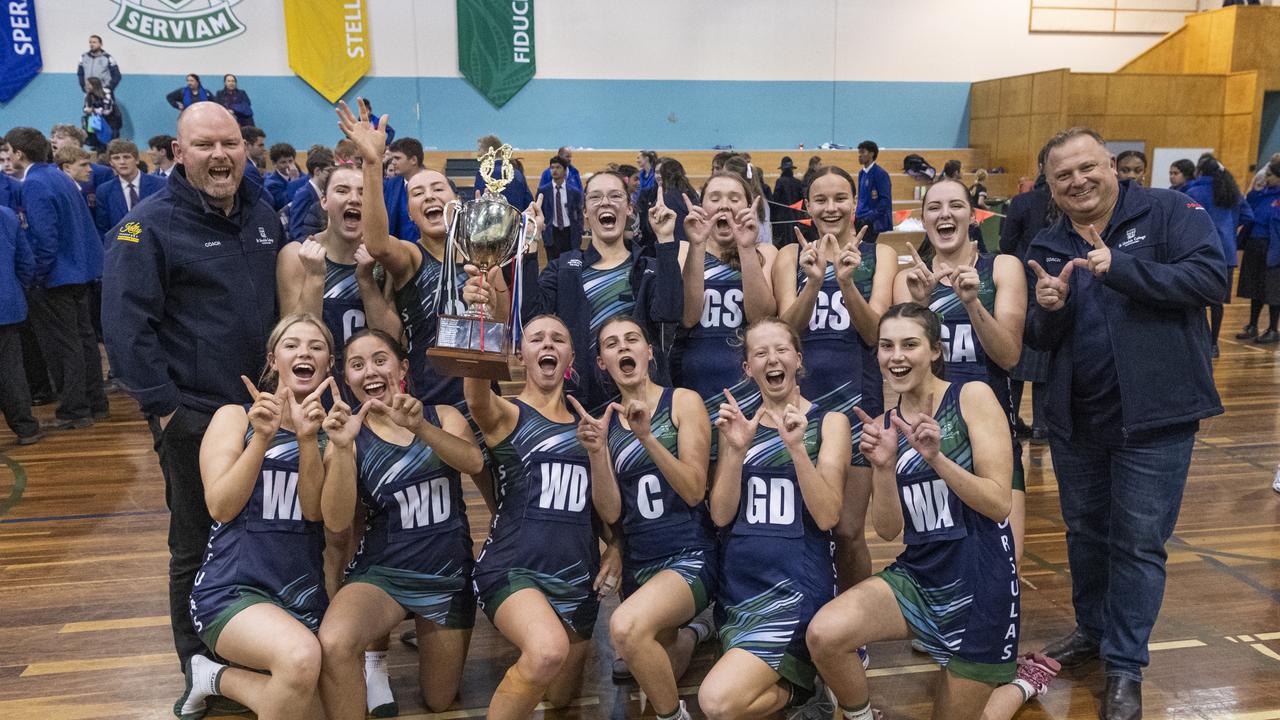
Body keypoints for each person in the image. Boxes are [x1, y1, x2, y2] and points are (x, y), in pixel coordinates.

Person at [1024, 128, 1227, 720]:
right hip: (1077, 421)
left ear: (1112, 166)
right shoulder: (1049, 240)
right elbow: (1041, 340)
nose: (1078, 181)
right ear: (1052, 188)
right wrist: (1049, 311)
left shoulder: (1167, 213)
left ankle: (1124, 665)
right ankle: (1092, 632)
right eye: (1064, 176)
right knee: (1084, 536)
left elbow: (1212, 281)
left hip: (1155, 421)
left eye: (1088, 168)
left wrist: (1124, 268)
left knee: (1137, 544)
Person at [101, 101, 283, 674]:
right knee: (194, 539)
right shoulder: (147, 225)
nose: (220, 156)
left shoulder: (263, 212)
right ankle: (197, 662)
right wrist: (165, 411)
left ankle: (250, 641)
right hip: (195, 415)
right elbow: (126, 328)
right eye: (204, 146)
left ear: (245, 148)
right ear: (179, 154)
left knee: (261, 529)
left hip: (264, 413)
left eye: (229, 143)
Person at [807, 302, 1019, 720]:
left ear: (935, 351)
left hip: (980, 578)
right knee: (824, 634)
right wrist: (883, 469)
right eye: (887, 346)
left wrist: (938, 459)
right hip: (920, 574)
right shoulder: (887, 423)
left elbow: (999, 503)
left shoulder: (971, 396)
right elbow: (888, 531)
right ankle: (862, 715)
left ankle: (1023, 684)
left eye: (909, 344)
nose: (896, 356)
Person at [173, 314, 337, 720]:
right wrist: (261, 438)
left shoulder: (333, 433)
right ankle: (218, 674)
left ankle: (210, 676)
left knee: (318, 704)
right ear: (272, 360)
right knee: (300, 659)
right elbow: (220, 506)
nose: (304, 352)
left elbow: (318, 513)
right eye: (292, 344)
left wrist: (304, 439)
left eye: (316, 347)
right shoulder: (233, 417)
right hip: (232, 589)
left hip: (301, 593)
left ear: (329, 364)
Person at [316, 329, 485, 719]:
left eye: (380, 359)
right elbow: (337, 520)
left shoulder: (442, 414)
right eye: (356, 365)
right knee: (335, 643)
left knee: (439, 700)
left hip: (447, 573)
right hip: (385, 570)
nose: (370, 372)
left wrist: (420, 428)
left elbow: (473, 463)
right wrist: (341, 448)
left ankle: (422, 635)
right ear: (346, 379)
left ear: (402, 367)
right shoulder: (346, 435)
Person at [461, 313, 619, 718]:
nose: (547, 344)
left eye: (558, 339)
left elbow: (608, 509)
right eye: (536, 339)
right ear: (520, 354)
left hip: (577, 578)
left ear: (570, 357)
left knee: (561, 696)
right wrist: (481, 318)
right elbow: (476, 396)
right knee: (548, 652)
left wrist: (617, 546)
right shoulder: (507, 414)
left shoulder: (594, 424)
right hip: (514, 567)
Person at [696, 318, 850, 719]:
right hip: (740, 589)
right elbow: (720, 514)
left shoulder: (830, 423)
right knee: (731, 704)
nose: (772, 359)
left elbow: (828, 514)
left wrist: (797, 449)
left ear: (798, 359)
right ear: (748, 368)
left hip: (795, 589)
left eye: (781, 350)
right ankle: (801, 691)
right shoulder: (737, 425)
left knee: (716, 703)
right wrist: (734, 451)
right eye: (760, 353)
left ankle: (801, 688)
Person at [573, 316, 716, 719]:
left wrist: (647, 437)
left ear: (649, 352)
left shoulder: (683, 402)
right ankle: (697, 631)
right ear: (602, 362)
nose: (623, 348)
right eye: (612, 344)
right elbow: (612, 512)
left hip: (689, 553)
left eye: (632, 340)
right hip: (639, 561)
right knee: (656, 668)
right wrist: (599, 453)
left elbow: (692, 490)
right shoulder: (602, 422)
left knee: (625, 628)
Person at [773, 166, 897, 609]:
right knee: (804, 523)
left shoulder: (880, 256)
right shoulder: (789, 255)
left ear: (854, 202)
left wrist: (845, 282)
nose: (831, 208)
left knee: (847, 529)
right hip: (799, 403)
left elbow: (875, 333)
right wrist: (814, 280)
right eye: (820, 199)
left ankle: (854, 621)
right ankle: (805, 613)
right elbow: (786, 331)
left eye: (840, 198)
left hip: (858, 399)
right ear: (806, 206)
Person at [895, 177, 1027, 565]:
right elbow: (899, 368)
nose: (944, 214)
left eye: (955, 205)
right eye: (934, 207)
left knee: (1006, 565)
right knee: (941, 559)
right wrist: (919, 310)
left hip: (991, 435)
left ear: (973, 215)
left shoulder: (1002, 267)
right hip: (932, 435)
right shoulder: (910, 281)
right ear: (923, 219)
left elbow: (1009, 356)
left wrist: (972, 304)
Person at [337, 100, 472, 407]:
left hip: (483, 398)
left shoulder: (481, 258)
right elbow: (377, 243)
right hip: (430, 401)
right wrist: (372, 164)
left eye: (438, 188)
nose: (430, 196)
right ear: (410, 213)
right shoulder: (411, 256)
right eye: (418, 193)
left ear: (457, 201)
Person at [518, 171, 682, 412]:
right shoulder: (563, 268)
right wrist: (531, 241)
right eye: (595, 197)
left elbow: (670, 312)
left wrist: (666, 239)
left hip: (644, 401)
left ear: (628, 208)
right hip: (581, 402)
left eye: (615, 195)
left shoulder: (648, 267)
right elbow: (530, 316)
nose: (605, 202)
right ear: (585, 212)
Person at [4, 127, 108, 431]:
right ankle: (95, 402)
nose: (8, 156)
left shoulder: (35, 182)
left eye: (9, 151)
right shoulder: (59, 176)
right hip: (80, 271)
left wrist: (36, 277)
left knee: (64, 345)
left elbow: (44, 239)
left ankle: (74, 410)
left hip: (56, 276)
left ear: (19, 153)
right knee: (84, 340)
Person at [677, 172, 777, 405]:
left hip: (749, 377)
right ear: (701, 206)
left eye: (734, 198)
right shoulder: (683, 251)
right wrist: (697, 245)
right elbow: (688, 317)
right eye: (715, 198)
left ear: (748, 205)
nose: (724, 205)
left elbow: (761, 317)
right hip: (695, 375)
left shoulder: (767, 253)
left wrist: (746, 248)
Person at [999, 146, 1054, 443]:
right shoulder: (1064, 203)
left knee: (1016, 361)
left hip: (1020, 283)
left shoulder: (1022, 202)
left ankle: (1011, 418)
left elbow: (1006, 244)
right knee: (1044, 361)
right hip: (1056, 285)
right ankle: (1042, 425)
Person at [1183, 155, 1252, 356]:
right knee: (1217, 302)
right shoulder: (1233, 192)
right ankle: (1214, 344)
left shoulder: (1194, 192)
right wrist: (1233, 237)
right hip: (1227, 253)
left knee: (1195, 299)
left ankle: (1198, 342)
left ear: (1201, 172)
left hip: (1199, 250)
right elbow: (1249, 217)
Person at [0, 201, 39, 444]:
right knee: (11, 370)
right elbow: (26, 262)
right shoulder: (6, 214)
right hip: (7, 303)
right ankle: (26, 428)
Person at [1236, 159, 1280, 344]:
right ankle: (1252, 324)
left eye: (1270, 175)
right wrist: (1255, 189)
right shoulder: (1261, 195)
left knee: (1272, 289)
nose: (1266, 178)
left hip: (1273, 247)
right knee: (1255, 287)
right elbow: (1249, 206)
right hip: (1255, 244)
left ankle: (1272, 328)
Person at [94, 139, 165, 238]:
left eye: (127, 157)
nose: (122, 162)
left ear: (136, 160)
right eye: (116, 158)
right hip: (120, 248)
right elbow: (103, 228)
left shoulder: (160, 184)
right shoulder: (104, 191)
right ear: (111, 162)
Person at [538, 155, 583, 261]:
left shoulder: (574, 192)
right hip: (552, 233)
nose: (554, 170)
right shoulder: (543, 191)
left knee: (570, 264)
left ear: (565, 170)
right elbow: (540, 212)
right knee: (553, 265)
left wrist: (579, 231)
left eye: (558, 167)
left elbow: (579, 214)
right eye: (552, 167)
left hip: (569, 233)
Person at [474, 134, 533, 211]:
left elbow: (478, 204)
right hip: (515, 221)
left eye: (479, 149)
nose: (478, 154)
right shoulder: (517, 174)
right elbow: (529, 203)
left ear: (487, 152)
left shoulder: (484, 174)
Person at [288, 147, 335, 242]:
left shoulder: (320, 191)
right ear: (317, 171)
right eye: (329, 171)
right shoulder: (304, 194)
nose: (332, 175)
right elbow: (296, 230)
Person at [384, 136, 425, 242]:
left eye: (397, 158)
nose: (393, 162)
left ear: (413, 160)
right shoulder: (390, 185)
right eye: (392, 158)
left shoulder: (436, 183)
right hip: (397, 251)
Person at [855, 140, 893, 244]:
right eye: (859, 152)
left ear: (871, 154)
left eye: (863, 152)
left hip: (871, 220)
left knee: (867, 250)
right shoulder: (861, 174)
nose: (860, 155)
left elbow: (885, 200)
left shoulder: (880, 174)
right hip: (859, 218)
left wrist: (870, 218)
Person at [82, 77, 122, 151]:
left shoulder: (106, 94)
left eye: (88, 84)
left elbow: (107, 111)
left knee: (110, 142)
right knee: (97, 142)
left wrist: (93, 110)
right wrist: (88, 110)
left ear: (94, 85)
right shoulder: (88, 95)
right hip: (97, 121)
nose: (86, 86)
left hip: (110, 122)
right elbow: (85, 107)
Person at [772, 156, 805, 246]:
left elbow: (775, 201)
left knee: (783, 244)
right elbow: (802, 201)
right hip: (796, 217)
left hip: (782, 219)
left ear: (782, 170)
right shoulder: (798, 183)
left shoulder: (780, 182)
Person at [263, 143, 302, 211]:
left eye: (290, 161)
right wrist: (294, 181)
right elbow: (285, 204)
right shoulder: (271, 184)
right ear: (274, 163)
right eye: (283, 162)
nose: (288, 165)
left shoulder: (300, 175)